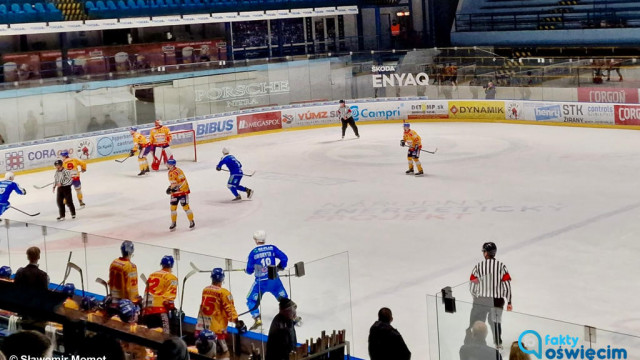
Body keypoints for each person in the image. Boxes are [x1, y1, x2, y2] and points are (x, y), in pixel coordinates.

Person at [468, 242, 513, 349]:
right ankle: (498, 344)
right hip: (497, 300)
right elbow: (507, 284)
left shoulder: (478, 266)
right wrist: (509, 301)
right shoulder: (501, 266)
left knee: (478, 323)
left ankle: (476, 344)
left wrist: (475, 296)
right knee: (495, 322)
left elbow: (472, 283)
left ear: (486, 253)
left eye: (484, 251)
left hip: (481, 300)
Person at [196, 268, 245, 359]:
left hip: (204, 328)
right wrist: (237, 322)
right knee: (224, 354)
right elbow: (230, 311)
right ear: (222, 279)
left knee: (206, 352)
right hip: (216, 330)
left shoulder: (205, 290)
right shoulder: (224, 293)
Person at [245, 230, 289, 330]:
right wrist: (280, 267)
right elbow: (284, 258)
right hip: (274, 279)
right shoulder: (272, 248)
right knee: (283, 299)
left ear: (256, 240)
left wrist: (247, 270)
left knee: (251, 300)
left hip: (261, 282)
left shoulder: (254, 252)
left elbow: (249, 270)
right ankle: (291, 316)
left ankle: (257, 319)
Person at [142, 255, 178, 334]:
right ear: (171, 265)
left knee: (149, 335)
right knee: (164, 335)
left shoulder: (152, 275)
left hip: (147, 309)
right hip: (160, 310)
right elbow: (169, 300)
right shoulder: (172, 277)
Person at [109, 240, 141, 312]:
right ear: (131, 251)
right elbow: (130, 288)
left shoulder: (114, 262)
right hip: (124, 304)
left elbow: (110, 281)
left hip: (113, 300)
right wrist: (135, 300)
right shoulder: (130, 266)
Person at [167, 159, 195, 231]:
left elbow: (183, 182)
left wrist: (176, 188)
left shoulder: (178, 171)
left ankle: (191, 221)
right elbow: (173, 183)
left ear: (172, 165)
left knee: (185, 207)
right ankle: (173, 223)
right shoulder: (169, 172)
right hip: (175, 193)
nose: (167, 165)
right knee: (173, 208)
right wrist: (170, 188)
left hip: (183, 192)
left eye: (168, 164)